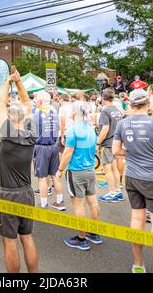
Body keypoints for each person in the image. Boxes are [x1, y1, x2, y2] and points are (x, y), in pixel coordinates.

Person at [112, 89, 153, 273]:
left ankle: (138, 264)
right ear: (148, 104)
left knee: (137, 219)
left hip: (132, 177)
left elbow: (116, 151)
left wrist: (133, 152)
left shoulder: (122, 124)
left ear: (130, 105)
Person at [0, 69, 38, 273]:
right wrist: (19, 83)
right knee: (27, 238)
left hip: (8, 194)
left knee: (10, 243)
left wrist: (7, 82)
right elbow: (27, 104)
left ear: (10, 119)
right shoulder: (31, 133)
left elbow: (0, 104)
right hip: (27, 193)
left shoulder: (8, 133)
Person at [56, 101, 102, 251]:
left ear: (75, 112)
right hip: (90, 170)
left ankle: (82, 239)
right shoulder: (90, 129)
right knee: (93, 203)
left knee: (78, 205)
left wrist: (60, 170)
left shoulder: (72, 130)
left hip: (76, 171)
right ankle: (94, 233)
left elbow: (67, 153)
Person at [33, 91, 65, 211]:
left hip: (42, 146)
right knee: (55, 175)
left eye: (37, 100)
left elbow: (32, 131)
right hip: (53, 145)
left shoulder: (37, 114)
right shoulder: (54, 113)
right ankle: (60, 201)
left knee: (42, 177)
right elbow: (57, 128)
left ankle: (43, 204)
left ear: (40, 101)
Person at [97, 88, 124, 203]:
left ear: (103, 98)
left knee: (108, 169)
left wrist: (97, 143)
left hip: (107, 143)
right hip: (116, 142)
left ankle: (112, 192)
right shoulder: (117, 109)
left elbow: (105, 129)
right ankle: (117, 191)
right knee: (115, 168)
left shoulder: (105, 110)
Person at [58, 93, 74, 158]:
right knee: (71, 152)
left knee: (62, 152)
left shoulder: (62, 108)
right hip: (73, 132)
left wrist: (62, 136)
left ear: (61, 99)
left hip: (65, 133)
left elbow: (62, 123)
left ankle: (62, 167)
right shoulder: (73, 107)